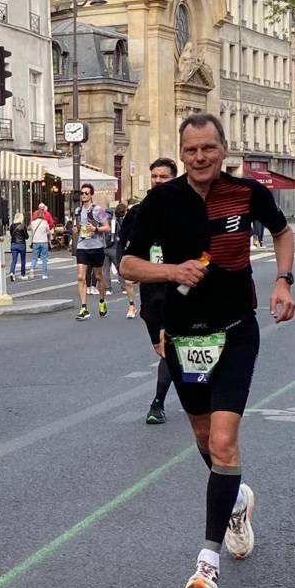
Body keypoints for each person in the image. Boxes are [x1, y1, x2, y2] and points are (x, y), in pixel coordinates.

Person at [120, 113, 295, 588]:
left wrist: (283, 280)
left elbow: (282, 233)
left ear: (223, 149)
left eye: (209, 149)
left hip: (236, 330)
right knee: (204, 439)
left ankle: (207, 562)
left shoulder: (248, 194)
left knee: (223, 441)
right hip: (183, 337)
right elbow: (128, 263)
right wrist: (170, 269)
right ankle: (237, 501)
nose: (200, 157)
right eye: (192, 150)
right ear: (182, 152)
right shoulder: (160, 200)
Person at [119, 157, 179, 422]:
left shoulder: (186, 208)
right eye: (154, 176)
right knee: (161, 345)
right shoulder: (137, 212)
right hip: (151, 289)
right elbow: (124, 246)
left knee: (170, 344)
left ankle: (158, 403)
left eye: (163, 177)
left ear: (174, 178)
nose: (157, 181)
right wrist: (127, 270)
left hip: (179, 287)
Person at [73, 182, 110, 320]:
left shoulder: (98, 210)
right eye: (82, 193)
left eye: (86, 193)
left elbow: (107, 227)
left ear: (91, 195)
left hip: (96, 246)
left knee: (99, 276)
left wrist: (95, 229)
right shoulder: (77, 211)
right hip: (82, 246)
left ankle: (102, 301)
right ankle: (83, 307)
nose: (83, 195)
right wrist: (75, 230)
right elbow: (77, 226)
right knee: (81, 277)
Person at [113, 203, 138, 318]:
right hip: (127, 252)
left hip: (140, 252)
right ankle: (131, 306)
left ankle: (146, 304)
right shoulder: (122, 223)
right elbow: (120, 242)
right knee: (128, 281)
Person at [28, 209, 52, 279]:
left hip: (35, 242)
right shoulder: (45, 222)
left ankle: (32, 270)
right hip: (44, 242)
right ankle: (44, 274)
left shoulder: (33, 223)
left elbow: (30, 229)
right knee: (44, 258)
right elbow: (48, 232)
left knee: (34, 258)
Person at [8, 212, 29, 282]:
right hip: (21, 244)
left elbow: (11, 234)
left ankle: (11, 272)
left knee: (14, 260)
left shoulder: (12, 226)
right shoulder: (22, 226)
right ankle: (23, 275)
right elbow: (26, 236)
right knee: (23, 260)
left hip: (13, 244)